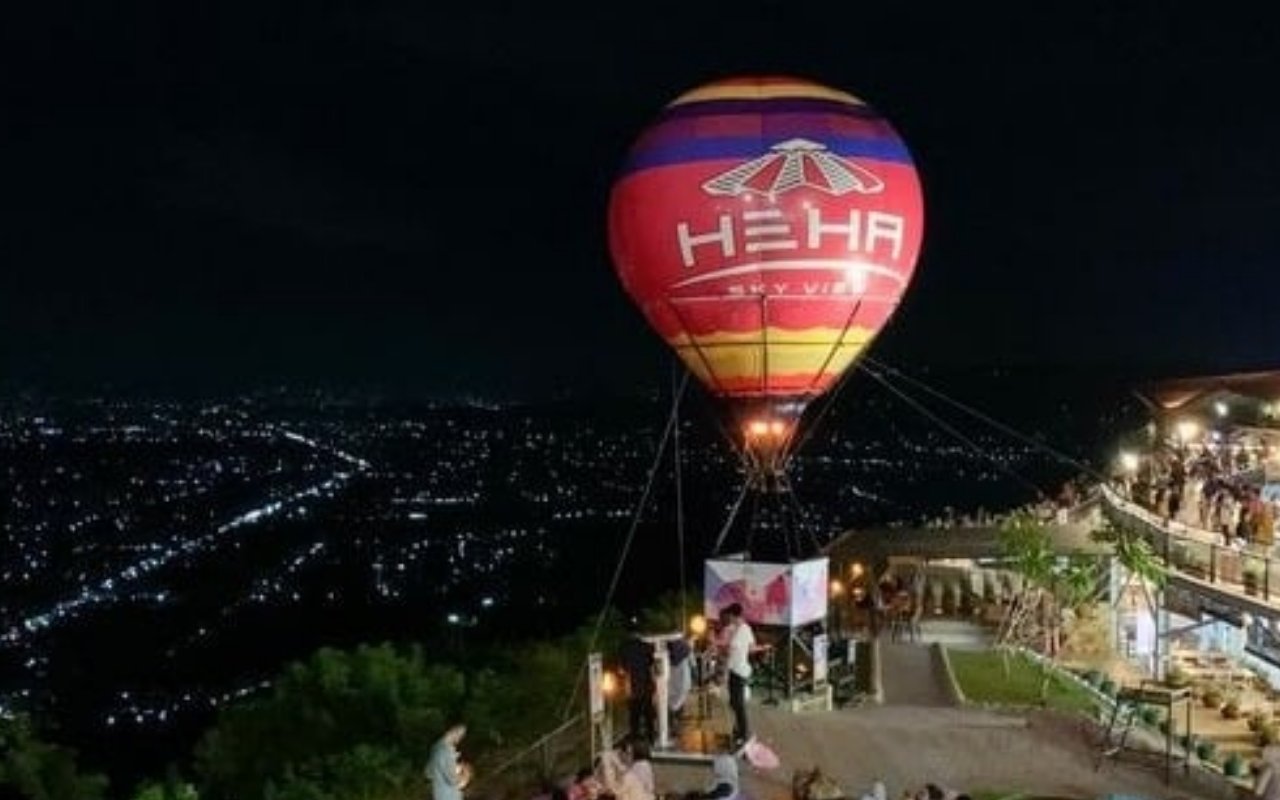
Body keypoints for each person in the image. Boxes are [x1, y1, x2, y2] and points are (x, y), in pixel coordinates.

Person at [722, 603, 756, 748]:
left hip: (739, 671)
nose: (728, 618)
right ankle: (739, 730)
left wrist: (738, 655)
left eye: (730, 615)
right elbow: (751, 647)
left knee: (739, 704)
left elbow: (747, 648)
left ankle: (743, 734)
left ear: (734, 616)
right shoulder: (739, 629)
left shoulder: (743, 629)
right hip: (735, 669)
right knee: (734, 703)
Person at [619, 620, 656, 742]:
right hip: (647, 686)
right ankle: (651, 739)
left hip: (633, 688)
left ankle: (635, 742)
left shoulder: (624, 648)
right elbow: (652, 667)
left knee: (634, 718)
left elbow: (622, 671)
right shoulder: (647, 647)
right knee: (648, 715)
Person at [428, 722, 469, 800]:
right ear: (452, 731)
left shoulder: (436, 747)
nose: (460, 737)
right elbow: (453, 781)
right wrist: (466, 774)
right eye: (460, 733)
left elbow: (428, 773)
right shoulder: (447, 751)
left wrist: (455, 767)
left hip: (438, 794)